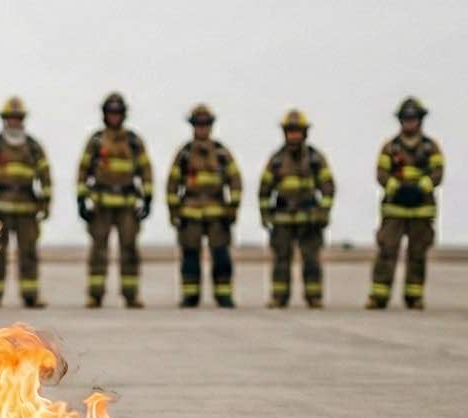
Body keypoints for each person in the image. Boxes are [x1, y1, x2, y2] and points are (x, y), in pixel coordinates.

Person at [76, 92, 155, 308]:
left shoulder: (133, 141)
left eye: (117, 113)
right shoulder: (96, 141)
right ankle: (95, 294)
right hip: (101, 205)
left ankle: (131, 295)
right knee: (98, 251)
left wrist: (147, 198)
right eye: (110, 113)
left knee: (129, 250)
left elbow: (145, 170)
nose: (114, 116)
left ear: (123, 115)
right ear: (105, 114)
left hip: (127, 205)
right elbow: (83, 170)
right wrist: (81, 199)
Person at [0, 96, 51, 308]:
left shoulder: (33, 147)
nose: (14, 122)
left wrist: (45, 202)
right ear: (5, 120)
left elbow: (45, 175)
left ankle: (30, 296)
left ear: (22, 120)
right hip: (0, 209)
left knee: (28, 254)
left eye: (17, 118)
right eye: (10, 118)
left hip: (27, 209)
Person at [368, 97, 444, 309]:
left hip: (421, 209)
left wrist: (421, 187)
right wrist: (397, 188)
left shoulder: (431, 147)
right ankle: (379, 296)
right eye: (406, 119)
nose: (410, 123)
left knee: (417, 254)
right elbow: (381, 173)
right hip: (394, 209)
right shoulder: (390, 147)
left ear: (420, 120)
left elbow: (438, 173)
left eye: (413, 119)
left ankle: (414, 296)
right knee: (386, 251)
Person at [164, 104, 243, 307]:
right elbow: (172, 184)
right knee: (190, 258)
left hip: (217, 214)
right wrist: (174, 212)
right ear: (193, 126)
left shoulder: (221, 153)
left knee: (221, 257)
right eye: (198, 125)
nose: (202, 128)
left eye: (205, 124)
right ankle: (191, 296)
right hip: (190, 214)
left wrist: (232, 209)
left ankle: (223, 295)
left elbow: (235, 180)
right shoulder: (184, 154)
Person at [255, 109, 334, 308]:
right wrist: (265, 215)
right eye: (290, 131)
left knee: (311, 260)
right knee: (281, 260)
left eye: (297, 131)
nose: (294, 135)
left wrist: (323, 212)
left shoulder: (315, 159)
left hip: (309, 219)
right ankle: (279, 296)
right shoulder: (276, 160)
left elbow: (328, 187)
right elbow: (264, 189)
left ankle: (314, 296)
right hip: (282, 218)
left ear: (304, 133)